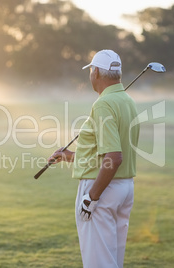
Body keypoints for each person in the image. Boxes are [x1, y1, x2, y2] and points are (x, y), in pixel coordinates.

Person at [48, 49, 140, 268]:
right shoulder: (127, 100)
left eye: (91, 70)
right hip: (123, 188)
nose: (90, 74)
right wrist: (69, 156)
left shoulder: (103, 104)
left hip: (102, 189)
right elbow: (105, 153)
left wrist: (91, 198)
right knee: (112, 260)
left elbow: (114, 157)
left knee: (99, 263)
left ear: (96, 72)